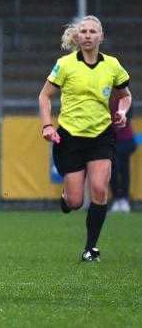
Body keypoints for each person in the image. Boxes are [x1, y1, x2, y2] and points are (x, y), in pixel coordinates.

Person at [38, 15, 131, 262]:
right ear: (77, 37)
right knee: (76, 201)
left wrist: (121, 111)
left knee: (100, 190)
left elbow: (125, 95)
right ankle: (66, 200)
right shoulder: (65, 64)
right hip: (70, 137)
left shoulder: (112, 65)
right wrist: (48, 125)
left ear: (101, 36)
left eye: (92, 31)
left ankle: (91, 248)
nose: (88, 35)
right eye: (84, 31)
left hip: (101, 136)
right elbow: (44, 96)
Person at [109, 92, 136, 213]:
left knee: (124, 170)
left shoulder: (125, 100)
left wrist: (114, 129)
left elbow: (126, 118)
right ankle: (116, 198)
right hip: (111, 143)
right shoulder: (106, 102)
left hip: (124, 141)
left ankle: (124, 198)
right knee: (113, 171)